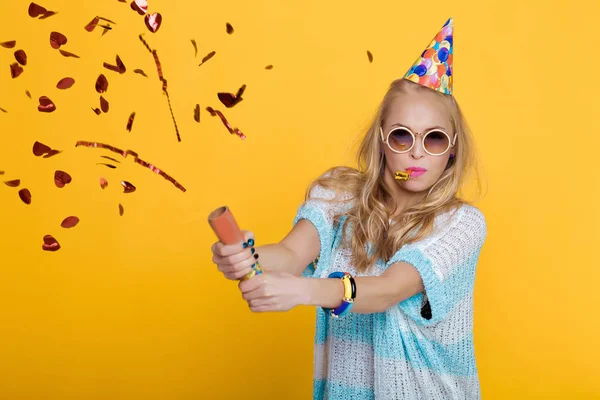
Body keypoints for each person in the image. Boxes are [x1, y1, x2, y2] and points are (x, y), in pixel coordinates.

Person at [211, 17, 487, 400]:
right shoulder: (337, 196)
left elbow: (390, 290)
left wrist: (304, 291)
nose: (417, 151)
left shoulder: (462, 224)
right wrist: (246, 255)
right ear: (381, 140)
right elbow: (291, 254)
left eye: (435, 139)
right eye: (402, 135)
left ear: (453, 148)